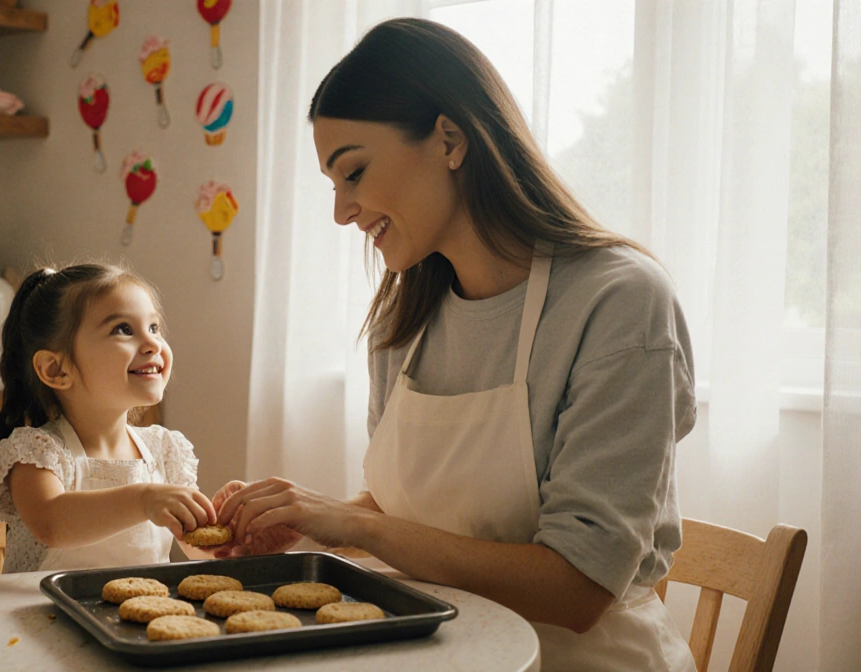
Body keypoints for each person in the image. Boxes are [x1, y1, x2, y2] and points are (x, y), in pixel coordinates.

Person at [213, 18, 698, 671]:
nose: (341, 212)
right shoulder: (403, 316)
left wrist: (355, 525)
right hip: (430, 652)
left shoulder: (619, 302)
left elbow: (578, 588)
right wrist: (310, 524)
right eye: (333, 186)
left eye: (353, 172)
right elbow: (407, 512)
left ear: (449, 139)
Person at [0, 263, 216, 573]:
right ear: (57, 369)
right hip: (41, 618)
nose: (153, 344)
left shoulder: (165, 450)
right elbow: (52, 523)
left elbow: (196, 543)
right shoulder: (37, 453)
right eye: (124, 329)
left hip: (132, 617)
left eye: (154, 328)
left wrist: (237, 535)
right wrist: (143, 499)